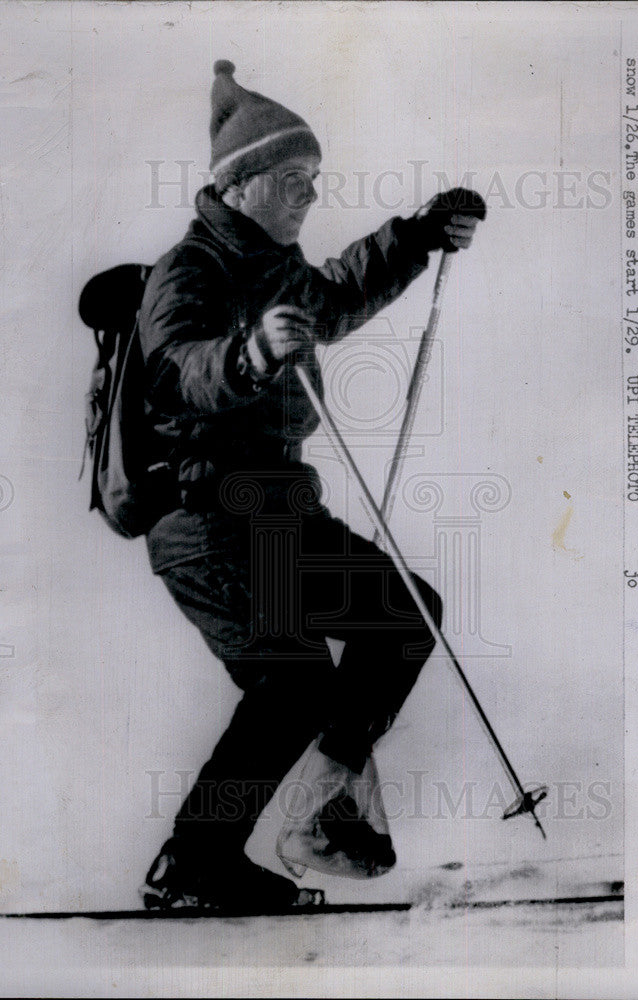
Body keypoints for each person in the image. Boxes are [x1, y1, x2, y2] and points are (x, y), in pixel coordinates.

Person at [137, 60, 481, 910]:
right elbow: (175, 371)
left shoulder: (274, 261)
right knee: (289, 683)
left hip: (281, 511)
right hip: (207, 518)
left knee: (401, 615)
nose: (307, 196)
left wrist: (421, 232)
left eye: (313, 182)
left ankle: (320, 817)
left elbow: (338, 292)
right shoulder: (186, 271)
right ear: (240, 184)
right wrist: (248, 355)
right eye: (292, 181)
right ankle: (195, 863)